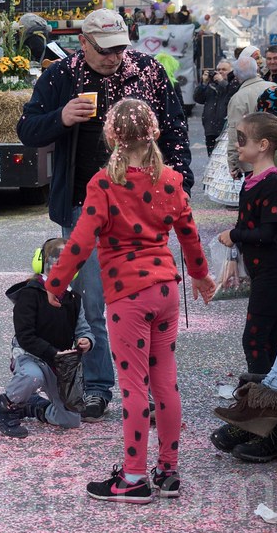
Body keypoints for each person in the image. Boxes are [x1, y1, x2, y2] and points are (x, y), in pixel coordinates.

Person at [17, 8, 192, 422]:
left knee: (142, 300)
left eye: (120, 49)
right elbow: (26, 129)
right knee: (92, 302)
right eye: (106, 50)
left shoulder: (147, 70)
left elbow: (176, 128)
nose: (114, 57)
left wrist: (178, 183)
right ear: (84, 42)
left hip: (143, 205)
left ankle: (145, 387)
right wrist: (60, 118)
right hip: (84, 203)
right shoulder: (62, 75)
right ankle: (98, 387)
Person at [46, 98, 214, 503]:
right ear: (154, 134)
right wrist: (201, 276)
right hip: (165, 291)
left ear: (110, 136)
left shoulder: (103, 184)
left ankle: (134, 477)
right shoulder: (171, 180)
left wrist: (55, 284)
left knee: (133, 388)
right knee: (165, 383)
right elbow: (189, 235)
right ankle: (168, 472)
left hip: (128, 297)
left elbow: (80, 241)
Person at [0, 238, 93, 438]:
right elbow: (25, 336)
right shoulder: (30, 293)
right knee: (32, 375)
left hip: (58, 361)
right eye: (57, 265)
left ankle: (34, 407)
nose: (63, 271)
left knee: (70, 420)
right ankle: (5, 410)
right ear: (42, 265)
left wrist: (86, 339)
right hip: (31, 355)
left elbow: (83, 328)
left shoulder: (73, 298)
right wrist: (53, 352)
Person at [217, 113, 277, 373]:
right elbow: (245, 224)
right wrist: (232, 259)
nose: (237, 144)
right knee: (268, 339)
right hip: (262, 272)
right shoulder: (251, 181)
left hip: (275, 273)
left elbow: (268, 232)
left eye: (241, 138)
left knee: (255, 339)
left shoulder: (274, 183)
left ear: (262, 145)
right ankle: (272, 401)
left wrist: (235, 236)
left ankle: (261, 400)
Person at [226, 53, 277, 180]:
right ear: (257, 70)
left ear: (237, 75)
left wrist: (233, 164)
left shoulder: (238, 98)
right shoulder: (275, 88)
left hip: (253, 161)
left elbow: (235, 132)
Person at [194, 59, 238, 154]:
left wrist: (222, 82)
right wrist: (204, 83)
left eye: (224, 69)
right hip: (210, 129)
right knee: (212, 157)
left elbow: (232, 94)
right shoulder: (211, 85)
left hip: (226, 129)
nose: (220, 72)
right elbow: (198, 99)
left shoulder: (234, 84)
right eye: (218, 69)